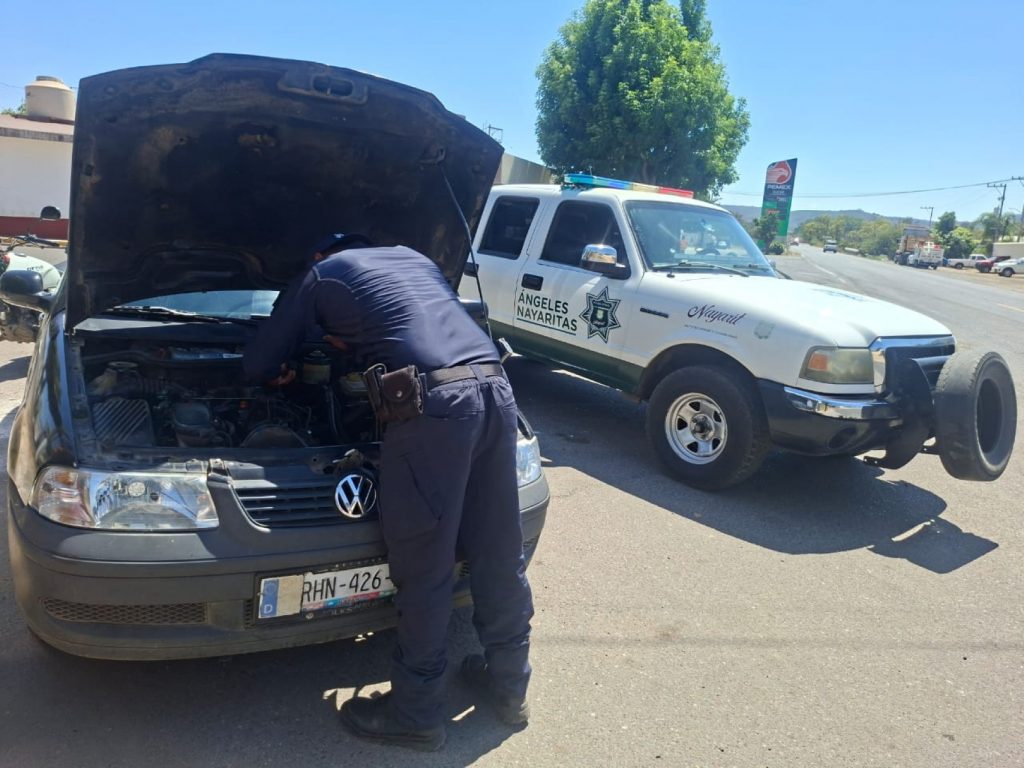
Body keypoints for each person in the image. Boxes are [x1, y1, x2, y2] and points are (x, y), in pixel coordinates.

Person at [242, 234, 534, 751]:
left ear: (320, 254)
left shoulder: (323, 274)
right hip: (495, 390)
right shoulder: (413, 259)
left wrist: (276, 375)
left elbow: (257, 364)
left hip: (435, 408)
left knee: (426, 566)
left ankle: (415, 713)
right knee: (497, 549)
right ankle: (510, 688)